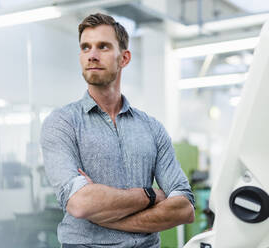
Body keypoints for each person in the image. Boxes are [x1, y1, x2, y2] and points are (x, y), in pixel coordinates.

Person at [40, 13, 195, 248]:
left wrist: (105, 216)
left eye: (102, 47)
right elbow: (80, 204)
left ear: (124, 58)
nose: (92, 55)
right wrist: (150, 195)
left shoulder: (152, 128)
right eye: (85, 47)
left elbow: (184, 208)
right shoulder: (62, 123)